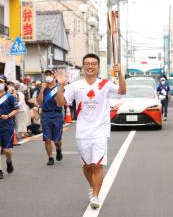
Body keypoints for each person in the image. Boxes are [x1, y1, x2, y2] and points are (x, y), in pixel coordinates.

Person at [54, 53, 126, 209]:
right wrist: (60, 85)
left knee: (97, 165)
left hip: (100, 130)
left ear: (98, 67)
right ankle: (93, 186)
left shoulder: (105, 84)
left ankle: (95, 196)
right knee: (87, 166)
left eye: (94, 63)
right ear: (83, 67)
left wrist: (120, 73)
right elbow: (60, 103)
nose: (90, 66)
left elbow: (122, 91)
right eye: (87, 63)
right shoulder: (75, 86)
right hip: (82, 132)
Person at [36, 69, 64, 166]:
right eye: (46, 74)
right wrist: (42, 90)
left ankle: (58, 149)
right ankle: (50, 157)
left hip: (57, 114)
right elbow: (39, 102)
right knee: (47, 138)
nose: (48, 76)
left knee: (57, 140)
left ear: (54, 76)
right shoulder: (41, 87)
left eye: (50, 74)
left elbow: (62, 102)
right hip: (46, 115)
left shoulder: (59, 87)